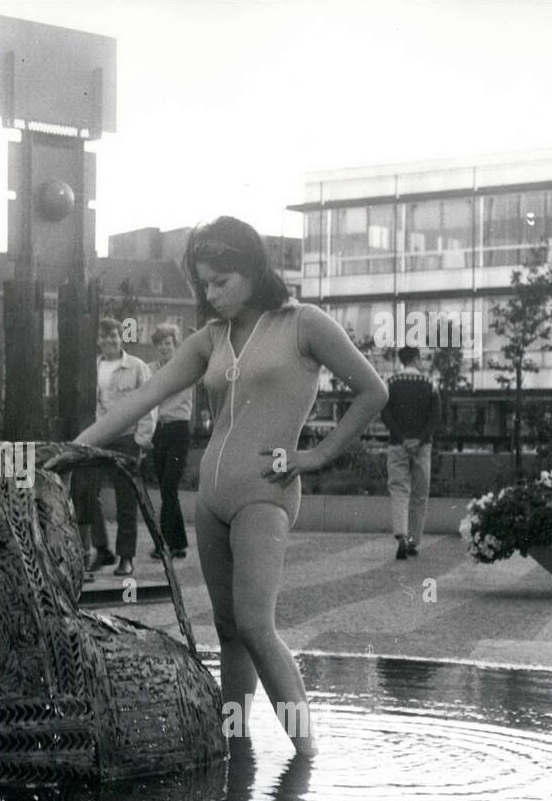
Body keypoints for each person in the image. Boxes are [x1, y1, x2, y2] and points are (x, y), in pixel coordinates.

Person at [74, 216, 389, 756]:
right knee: (227, 631)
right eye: (205, 283)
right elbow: (141, 399)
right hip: (212, 498)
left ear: (252, 270)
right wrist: (71, 452)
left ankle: (307, 755)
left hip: (264, 493)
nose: (212, 293)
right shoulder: (209, 339)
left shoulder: (304, 323)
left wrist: (315, 456)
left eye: (222, 280)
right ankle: (233, 750)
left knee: (256, 626)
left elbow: (373, 391)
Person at [72, 317, 156, 579]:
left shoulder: (136, 367)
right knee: (86, 492)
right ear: (98, 340)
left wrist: (142, 440)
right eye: (104, 336)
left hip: (127, 437)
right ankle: (101, 548)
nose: (109, 340)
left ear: (121, 337)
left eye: (113, 336)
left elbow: (149, 403)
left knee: (125, 500)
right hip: (99, 436)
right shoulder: (93, 367)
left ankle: (126, 558)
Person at [380, 345, 440, 560]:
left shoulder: (390, 384)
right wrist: (420, 439)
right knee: (419, 494)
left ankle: (401, 536)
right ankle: (415, 541)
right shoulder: (430, 383)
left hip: (397, 444)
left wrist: (403, 438)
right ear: (416, 359)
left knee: (399, 490)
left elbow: (385, 414)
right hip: (422, 447)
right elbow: (435, 417)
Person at [148, 323, 194, 560]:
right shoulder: (150, 370)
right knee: (166, 489)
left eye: (168, 343)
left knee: (169, 485)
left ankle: (164, 544)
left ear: (175, 345)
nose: (164, 347)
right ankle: (178, 544)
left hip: (178, 429)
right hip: (159, 431)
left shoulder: (186, 368)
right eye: (160, 344)